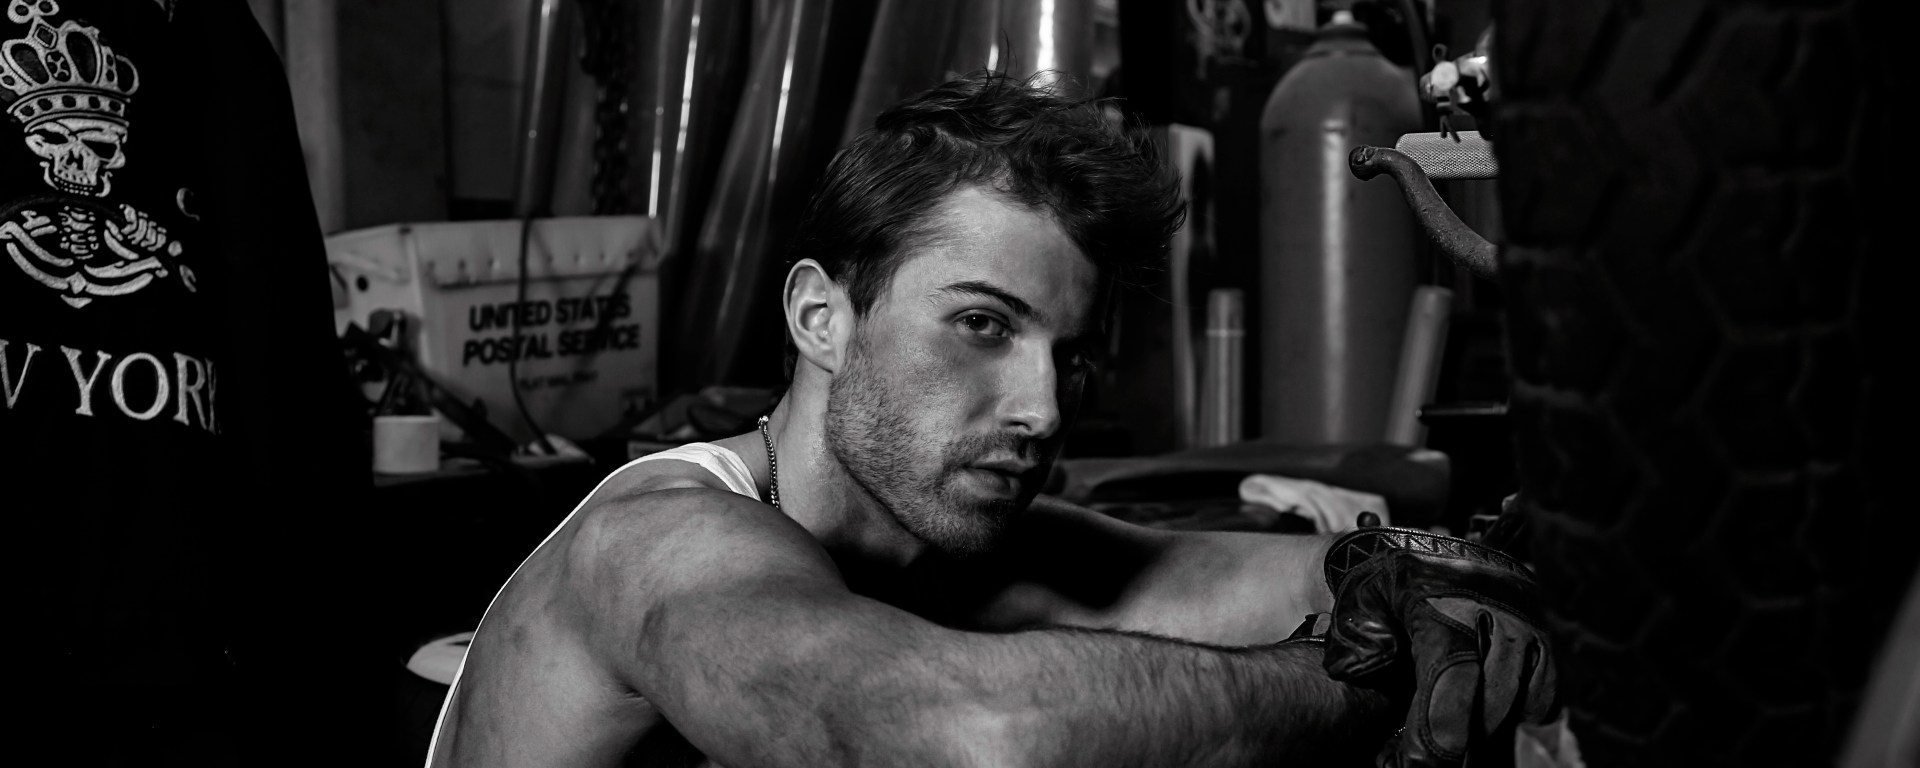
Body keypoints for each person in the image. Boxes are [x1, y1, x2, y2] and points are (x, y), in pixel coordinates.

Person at [428, 71, 1555, 767]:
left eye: (1070, 356)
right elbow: (973, 735)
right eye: (981, 324)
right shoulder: (659, 544)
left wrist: (1471, 575)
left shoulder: (949, 545)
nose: (1042, 409)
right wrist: (1354, 683)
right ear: (821, 317)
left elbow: (1300, 578)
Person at [1, 1, 382, 763]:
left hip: (175, 645)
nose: (79, 164)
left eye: (96, 146)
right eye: (59, 144)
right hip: (174, 641)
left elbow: (284, 343)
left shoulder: (211, 35)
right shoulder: (211, 31)